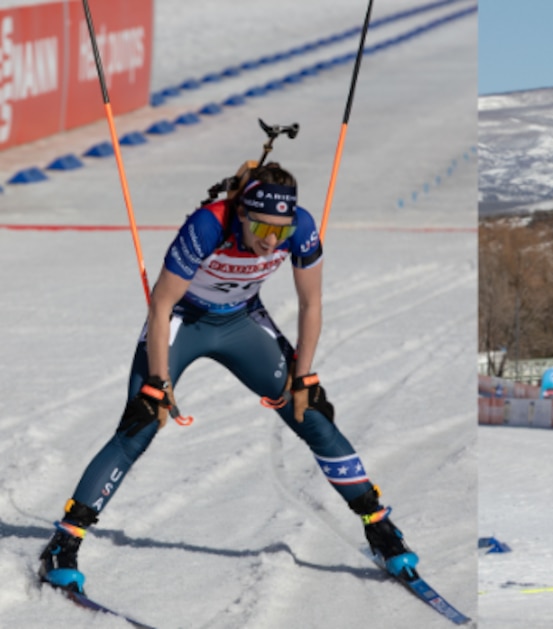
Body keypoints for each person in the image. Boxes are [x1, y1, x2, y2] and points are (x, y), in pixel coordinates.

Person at [38, 163, 421, 591]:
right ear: (242, 213)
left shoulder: (302, 228)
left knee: (311, 414)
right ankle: (63, 542)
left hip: (241, 323)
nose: (271, 240)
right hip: (184, 321)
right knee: (141, 422)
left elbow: (311, 304)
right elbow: (162, 304)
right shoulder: (208, 225)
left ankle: (379, 527)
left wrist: (304, 377)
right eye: (261, 227)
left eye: (281, 230)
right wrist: (159, 384)